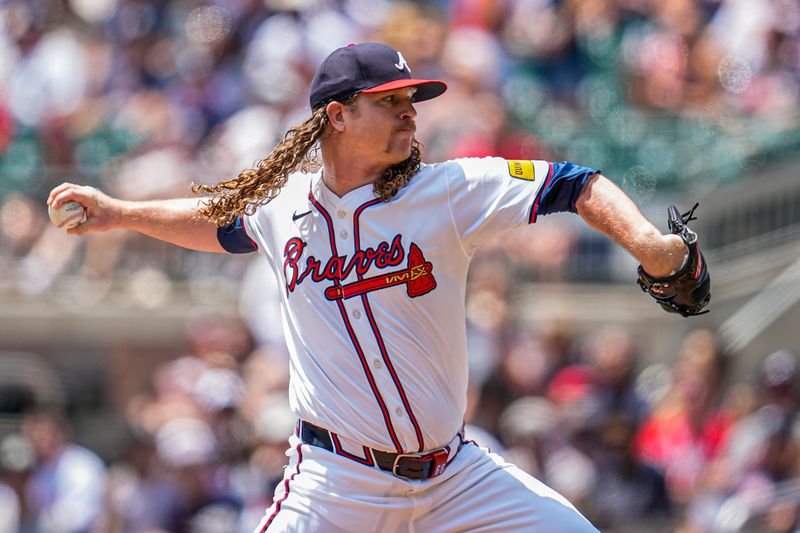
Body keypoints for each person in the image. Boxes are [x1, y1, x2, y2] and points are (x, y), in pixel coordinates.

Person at [48, 42, 700, 533]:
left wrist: (651, 244)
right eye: (390, 101)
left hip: (454, 476)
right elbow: (219, 222)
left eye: (411, 101)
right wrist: (120, 211)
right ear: (337, 114)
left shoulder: (445, 191)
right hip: (335, 482)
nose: (409, 115)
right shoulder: (286, 206)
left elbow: (575, 181)